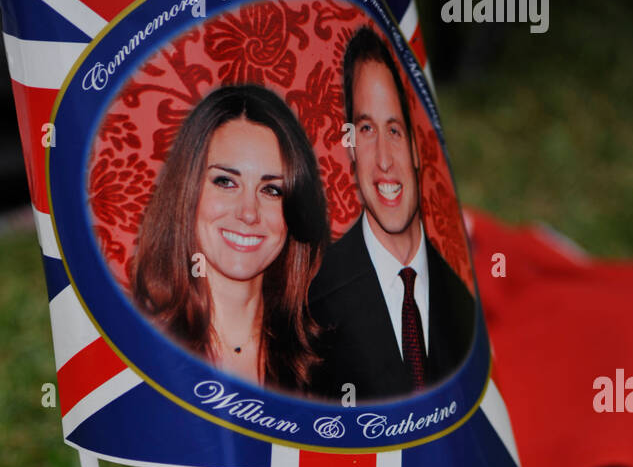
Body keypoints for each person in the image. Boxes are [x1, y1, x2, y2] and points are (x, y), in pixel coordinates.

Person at [309, 26, 474, 402]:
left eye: (395, 131)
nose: (383, 159)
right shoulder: (313, 310)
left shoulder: (465, 304)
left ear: (418, 148)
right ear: (350, 147)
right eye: (366, 129)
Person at [131, 83, 329, 394]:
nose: (248, 213)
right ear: (187, 191)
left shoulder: (331, 356)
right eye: (225, 181)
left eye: (271, 190)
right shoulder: (131, 352)